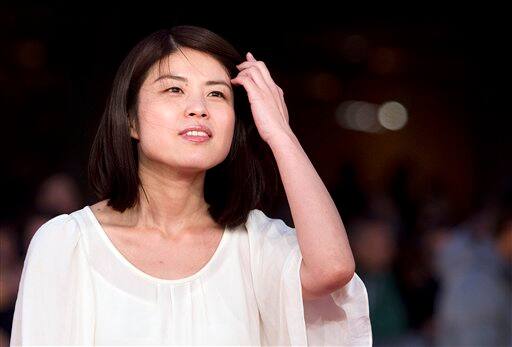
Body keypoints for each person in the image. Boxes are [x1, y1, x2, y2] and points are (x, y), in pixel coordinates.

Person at [10, 25, 372, 346]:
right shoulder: (66, 244)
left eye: (217, 94)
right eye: (173, 90)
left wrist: (280, 133)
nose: (198, 107)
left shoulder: (253, 245)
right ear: (131, 121)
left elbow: (333, 269)